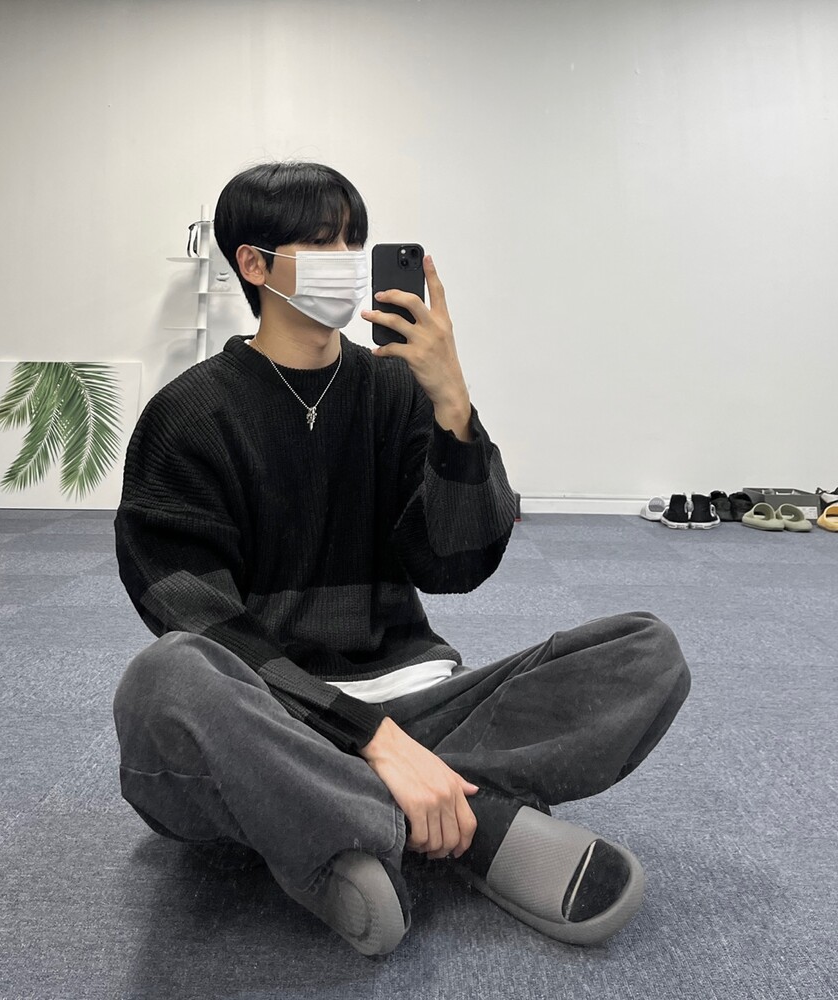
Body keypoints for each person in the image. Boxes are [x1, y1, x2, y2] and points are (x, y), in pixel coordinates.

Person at [112, 161, 691, 957]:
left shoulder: (394, 389)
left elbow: (455, 565)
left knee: (646, 653)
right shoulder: (188, 416)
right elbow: (199, 621)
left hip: (413, 698)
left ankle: (335, 822)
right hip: (270, 710)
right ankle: (472, 820)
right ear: (253, 263)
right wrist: (372, 741)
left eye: (354, 240)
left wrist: (453, 403)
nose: (347, 260)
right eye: (321, 243)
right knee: (166, 679)